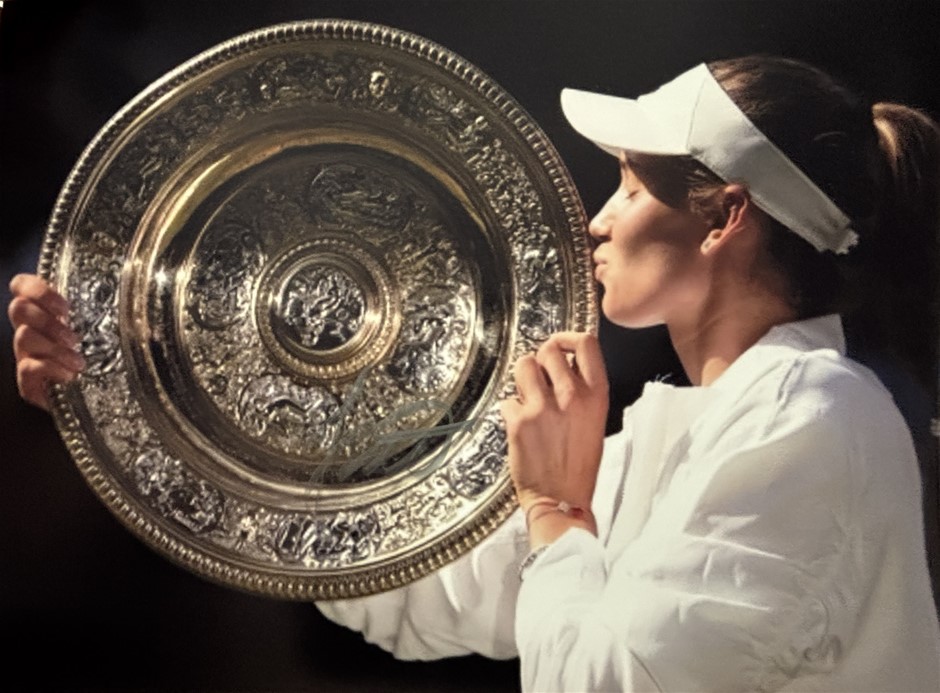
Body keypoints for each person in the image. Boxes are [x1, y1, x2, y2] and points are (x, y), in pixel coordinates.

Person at [9, 56, 940, 691]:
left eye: (626, 183)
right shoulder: (688, 429)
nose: (598, 222)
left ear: (723, 214)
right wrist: (127, 397)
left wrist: (555, 510)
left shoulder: (815, 413)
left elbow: (606, 680)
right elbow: (426, 595)